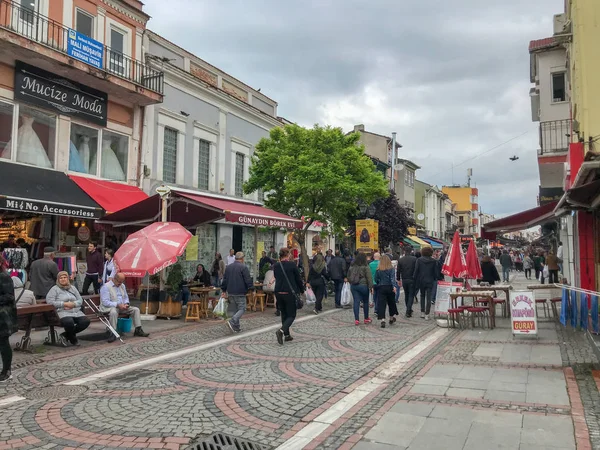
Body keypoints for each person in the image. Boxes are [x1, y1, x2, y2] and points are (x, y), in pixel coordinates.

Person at [100, 273, 149, 342]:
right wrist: (117, 304)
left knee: (136, 309)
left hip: (122, 306)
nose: (120, 284)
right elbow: (105, 302)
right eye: (119, 282)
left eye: (122, 282)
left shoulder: (122, 286)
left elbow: (125, 297)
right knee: (113, 312)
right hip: (111, 307)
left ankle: (138, 329)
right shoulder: (106, 287)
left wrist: (126, 303)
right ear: (114, 279)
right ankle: (113, 333)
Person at [46, 271, 91, 346]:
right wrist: (63, 304)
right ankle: (73, 339)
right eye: (61, 278)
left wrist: (74, 304)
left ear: (68, 279)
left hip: (76, 312)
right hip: (63, 312)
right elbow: (50, 302)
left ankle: (65, 335)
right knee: (69, 322)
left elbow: (80, 300)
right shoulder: (54, 289)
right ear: (58, 279)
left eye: (65, 277)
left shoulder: (72, 288)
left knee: (85, 321)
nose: (63, 279)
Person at [273, 247, 304, 344]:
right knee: (291, 315)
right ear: (287, 255)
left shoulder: (276, 265)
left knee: (284, 313)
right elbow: (298, 279)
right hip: (289, 292)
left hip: (278, 292)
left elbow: (276, 277)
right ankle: (281, 331)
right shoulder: (292, 265)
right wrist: (302, 290)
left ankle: (287, 335)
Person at [221, 252, 253, 333]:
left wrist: (224, 290)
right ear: (242, 258)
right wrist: (251, 288)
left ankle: (236, 327)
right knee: (242, 308)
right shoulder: (243, 267)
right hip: (240, 291)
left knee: (235, 310)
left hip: (230, 291)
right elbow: (247, 279)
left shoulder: (228, 267)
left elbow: (225, 280)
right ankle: (233, 321)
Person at [0, 256, 16, 382]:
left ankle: (7, 370)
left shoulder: (4, 276)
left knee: (3, 343)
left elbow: (9, 296)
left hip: (3, 316)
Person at [347, 252, 373, 325]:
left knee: (356, 302)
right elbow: (369, 277)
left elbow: (348, 276)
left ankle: (356, 320)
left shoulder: (352, 266)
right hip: (363, 286)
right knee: (365, 302)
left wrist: (351, 282)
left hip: (354, 286)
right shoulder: (365, 266)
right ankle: (366, 318)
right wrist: (371, 287)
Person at [413, 246, 438, 320]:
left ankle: (422, 312)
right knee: (429, 297)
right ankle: (427, 314)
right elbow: (435, 272)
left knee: (422, 296)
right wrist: (435, 278)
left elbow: (416, 270)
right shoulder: (434, 261)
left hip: (421, 280)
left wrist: (414, 278)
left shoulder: (419, 260)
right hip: (430, 280)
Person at [375, 255, 398, 328]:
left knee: (382, 304)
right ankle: (391, 317)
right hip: (389, 287)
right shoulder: (391, 268)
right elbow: (392, 278)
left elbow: (376, 279)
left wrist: (379, 282)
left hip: (381, 287)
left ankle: (382, 319)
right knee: (391, 303)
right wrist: (394, 286)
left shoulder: (378, 269)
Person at [397, 247, 417, 318]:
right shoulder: (414, 259)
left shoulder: (401, 260)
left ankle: (408, 309)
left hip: (404, 279)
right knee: (411, 295)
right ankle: (408, 310)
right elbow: (416, 269)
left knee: (406, 294)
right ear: (411, 251)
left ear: (404, 251)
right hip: (412, 279)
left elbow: (398, 271)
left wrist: (398, 279)